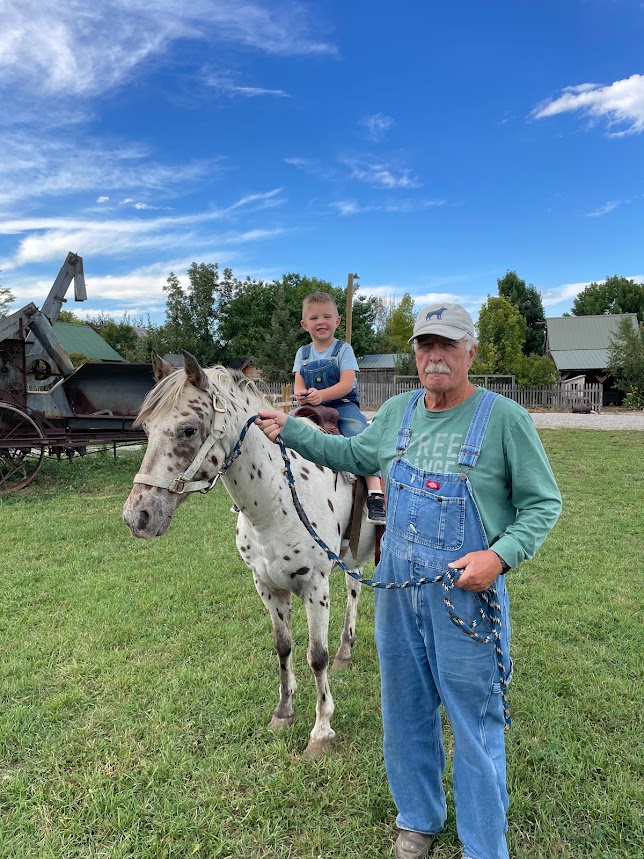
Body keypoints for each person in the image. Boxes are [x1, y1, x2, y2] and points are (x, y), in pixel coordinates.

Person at [256, 302, 562, 859]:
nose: (436, 356)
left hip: (465, 600)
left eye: (448, 345)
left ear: (470, 351)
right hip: (397, 591)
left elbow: (543, 505)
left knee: (473, 724)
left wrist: (500, 557)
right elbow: (348, 451)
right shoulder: (396, 411)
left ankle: (482, 845)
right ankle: (417, 819)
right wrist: (292, 432)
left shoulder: (503, 419)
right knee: (404, 708)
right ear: (415, 355)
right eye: (426, 346)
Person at [293, 291, 385, 524]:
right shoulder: (302, 353)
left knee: (360, 435)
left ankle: (375, 492)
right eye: (314, 318)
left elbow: (346, 384)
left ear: (337, 321)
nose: (320, 322)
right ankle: (270, 478)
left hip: (342, 404)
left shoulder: (343, 350)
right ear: (305, 324)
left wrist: (320, 395)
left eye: (326, 316)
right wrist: (302, 396)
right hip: (311, 405)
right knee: (283, 429)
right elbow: (298, 384)